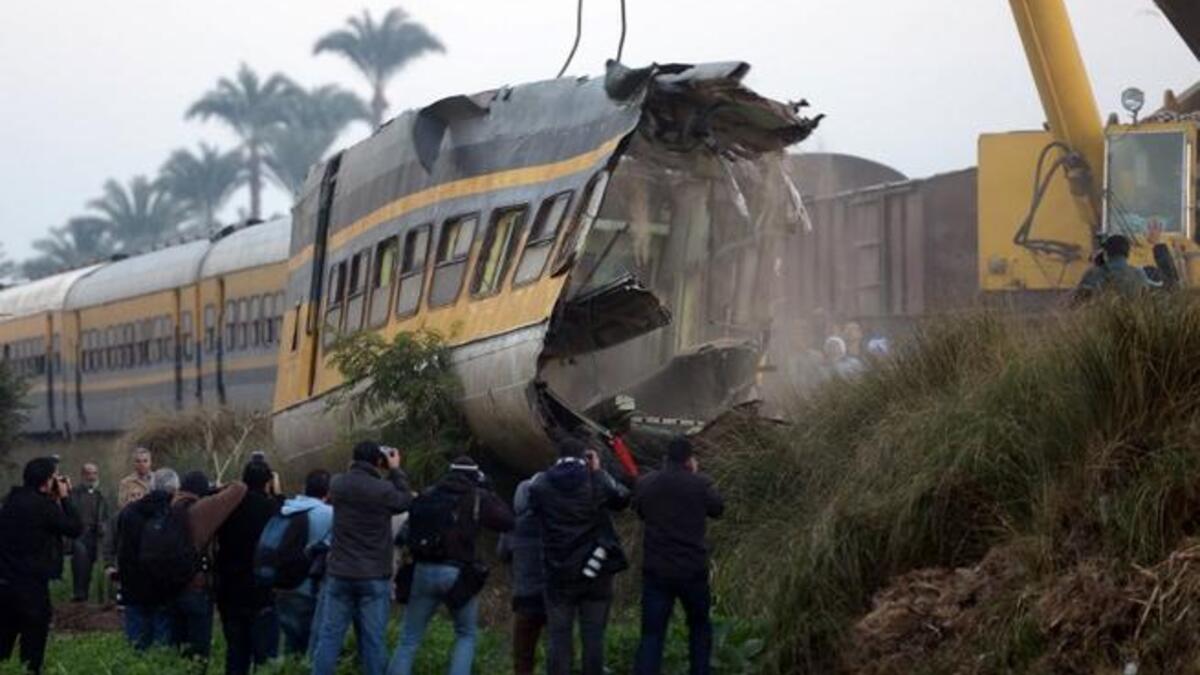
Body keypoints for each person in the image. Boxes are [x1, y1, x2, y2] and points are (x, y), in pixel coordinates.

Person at [389, 456, 514, 675]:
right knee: (465, 635)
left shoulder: (428, 494)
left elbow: (405, 533)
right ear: (474, 475)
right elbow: (508, 521)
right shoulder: (477, 497)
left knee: (409, 639)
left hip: (422, 570)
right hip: (458, 574)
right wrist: (489, 490)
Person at [529, 437, 630, 675]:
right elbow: (623, 498)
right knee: (593, 636)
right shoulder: (595, 481)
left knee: (559, 637)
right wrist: (598, 472)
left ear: (558, 457)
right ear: (586, 456)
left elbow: (531, 509)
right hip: (595, 570)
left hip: (558, 572)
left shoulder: (541, 485)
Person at [312, 441, 413, 675]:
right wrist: (395, 469)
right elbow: (406, 500)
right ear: (379, 461)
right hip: (373, 575)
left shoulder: (338, 484)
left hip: (340, 573)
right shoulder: (383, 490)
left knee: (329, 637)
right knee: (373, 640)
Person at [632, 436, 725, 675]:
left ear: (666, 457)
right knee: (699, 627)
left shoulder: (647, 483)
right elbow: (718, 509)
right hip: (692, 570)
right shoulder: (700, 484)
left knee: (652, 634)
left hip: (657, 571)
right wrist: (695, 475)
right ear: (689, 459)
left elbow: (640, 510)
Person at [0, 457, 82, 673]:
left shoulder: (10, 501)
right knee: (32, 648)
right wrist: (65, 498)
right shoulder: (43, 507)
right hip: (32, 586)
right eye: (55, 477)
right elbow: (75, 528)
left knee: (3, 642)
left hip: (5, 583)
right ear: (46, 481)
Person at [170, 470, 247, 662]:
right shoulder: (200, 509)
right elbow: (239, 488)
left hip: (169, 587)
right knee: (198, 653)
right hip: (195, 587)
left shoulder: (170, 506)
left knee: (177, 650)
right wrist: (217, 488)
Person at [215, 458, 281, 675]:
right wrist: (278, 493)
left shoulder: (226, 508)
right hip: (260, 592)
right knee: (265, 658)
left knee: (236, 653)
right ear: (268, 482)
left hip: (229, 590)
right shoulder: (271, 507)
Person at [115, 468, 181, 650]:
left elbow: (122, 550)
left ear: (151, 486)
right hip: (162, 589)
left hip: (133, 587)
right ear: (175, 490)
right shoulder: (173, 513)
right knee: (162, 645)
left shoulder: (128, 512)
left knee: (136, 645)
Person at [274, 469, 333, 657]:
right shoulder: (329, 513)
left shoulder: (286, 508)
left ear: (304, 488)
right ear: (329, 492)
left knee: (289, 645)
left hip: (282, 584)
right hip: (308, 587)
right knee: (310, 647)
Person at [498, 473, 547, 675]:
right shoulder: (552, 523)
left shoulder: (512, 526)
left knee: (523, 654)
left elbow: (502, 553)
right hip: (552, 596)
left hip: (525, 596)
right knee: (559, 648)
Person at [69, 462, 109, 603]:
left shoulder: (103, 494)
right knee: (80, 564)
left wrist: (103, 526)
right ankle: (80, 595)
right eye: (88, 473)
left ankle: (101, 599)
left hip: (97, 535)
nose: (91, 477)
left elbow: (107, 516)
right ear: (83, 475)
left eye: (94, 473)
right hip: (80, 534)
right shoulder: (74, 493)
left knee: (100, 567)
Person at [1075, 233, 1157, 299]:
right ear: (1127, 254)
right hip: (1131, 318)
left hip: (1100, 319)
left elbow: (1078, 300)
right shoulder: (1139, 274)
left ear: (1106, 253)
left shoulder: (1093, 274)